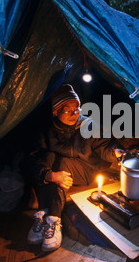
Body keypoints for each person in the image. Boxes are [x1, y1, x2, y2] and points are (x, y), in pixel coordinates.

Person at [22, 84, 125, 251]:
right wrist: (49, 176)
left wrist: (116, 152)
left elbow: (104, 145)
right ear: (56, 112)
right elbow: (32, 158)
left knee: (62, 162)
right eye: (67, 110)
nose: (74, 113)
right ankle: (43, 214)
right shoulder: (46, 130)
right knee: (47, 157)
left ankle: (54, 220)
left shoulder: (88, 125)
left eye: (76, 108)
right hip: (59, 172)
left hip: (86, 169)